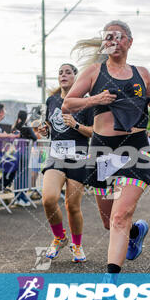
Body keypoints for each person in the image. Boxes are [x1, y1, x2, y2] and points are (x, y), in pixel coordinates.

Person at [63, 20, 150, 276]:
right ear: (104, 42)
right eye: (109, 36)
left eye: (119, 36)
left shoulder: (141, 73)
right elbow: (68, 104)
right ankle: (136, 232)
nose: (114, 40)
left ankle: (110, 283)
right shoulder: (93, 72)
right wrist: (96, 100)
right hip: (103, 150)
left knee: (120, 215)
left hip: (134, 148)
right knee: (109, 221)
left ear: (129, 42)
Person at [36, 63, 94, 262]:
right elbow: (49, 126)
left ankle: (77, 246)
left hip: (78, 156)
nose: (63, 75)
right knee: (49, 199)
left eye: (68, 72)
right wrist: (45, 130)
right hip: (56, 155)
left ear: (76, 77)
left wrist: (76, 125)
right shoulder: (52, 100)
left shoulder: (86, 102)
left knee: (72, 206)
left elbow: (94, 131)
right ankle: (59, 237)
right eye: (60, 72)